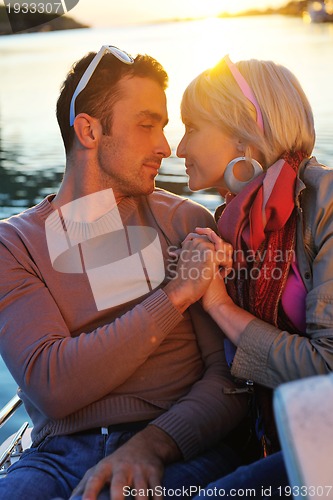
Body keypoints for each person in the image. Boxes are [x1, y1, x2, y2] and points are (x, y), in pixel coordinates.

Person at [0, 46, 248, 500]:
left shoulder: (186, 223)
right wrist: (175, 295)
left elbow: (228, 380)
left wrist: (151, 446)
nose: (165, 146)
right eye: (146, 124)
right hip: (57, 457)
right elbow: (52, 384)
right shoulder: (13, 245)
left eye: (164, 127)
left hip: (177, 444)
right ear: (88, 130)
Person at [173, 55, 333, 497]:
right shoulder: (230, 223)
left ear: (242, 128)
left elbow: (328, 370)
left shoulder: (326, 204)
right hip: (265, 431)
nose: (178, 148)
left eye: (191, 127)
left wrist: (219, 304)